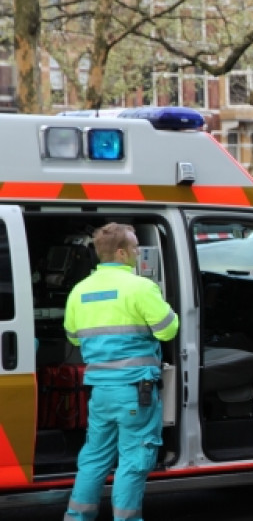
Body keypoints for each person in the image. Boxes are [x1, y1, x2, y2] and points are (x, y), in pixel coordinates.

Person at [63, 223, 179, 521]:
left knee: (94, 458)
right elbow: (168, 331)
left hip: (100, 391)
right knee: (134, 461)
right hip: (135, 391)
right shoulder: (140, 287)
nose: (138, 252)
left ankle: (77, 517)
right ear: (121, 252)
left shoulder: (80, 290)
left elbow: (74, 336)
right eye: (136, 247)